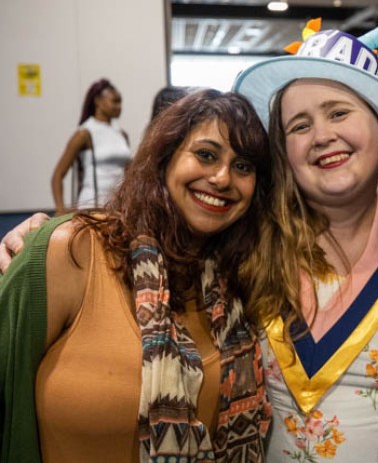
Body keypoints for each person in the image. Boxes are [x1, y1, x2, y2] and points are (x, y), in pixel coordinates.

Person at [0, 89, 273, 462]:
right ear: (165, 158)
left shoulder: (239, 285)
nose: (223, 178)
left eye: (243, 166)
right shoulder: (73, 251)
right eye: (206, 155)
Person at [233, 17, 378, 462]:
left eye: (339, 112)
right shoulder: (248, 236)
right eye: (299, 126)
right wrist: (47, 236)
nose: (322, 136)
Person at [50, 78, 131, 215]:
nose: (119, 106)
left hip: (117, 207)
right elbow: (57, 176)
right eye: (114, 101)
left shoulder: (122, 134)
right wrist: (60, 209)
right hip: (91, 208)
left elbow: (129, 173)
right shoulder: (85, 133)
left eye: (120, 101)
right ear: (98, 101)